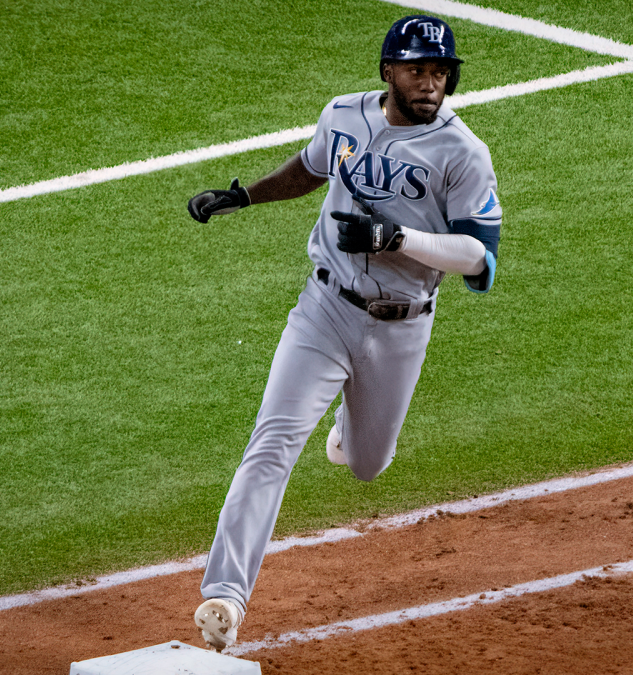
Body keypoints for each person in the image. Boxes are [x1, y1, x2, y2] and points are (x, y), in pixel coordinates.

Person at [185, 15, 502, 652]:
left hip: (400, 327)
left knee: (367, 464)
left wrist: (398, 238)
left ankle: (351, 429)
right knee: (272, 442)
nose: (430, 83)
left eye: (440, 72)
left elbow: (480, 257)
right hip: (323, 309)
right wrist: (245, 197)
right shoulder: (344, 116)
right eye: (417, 69)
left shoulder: (462, 153)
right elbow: (309, 169)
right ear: (388, 70)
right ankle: (224, 596)